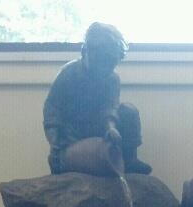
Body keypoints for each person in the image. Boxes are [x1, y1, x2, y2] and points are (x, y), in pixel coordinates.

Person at [43, 22, 151, 175]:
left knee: (128, 111)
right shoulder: (68, 74)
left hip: (99, 129)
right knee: (69, 156)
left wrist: (111, 127)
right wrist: (55, 141)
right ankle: (62, 161)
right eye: (100, 62)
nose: (104, 70)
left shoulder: (112, 79)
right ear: (84, 51)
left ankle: (130, 159)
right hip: (72, 134)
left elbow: (110, 107)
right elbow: (52, 109)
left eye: (110, 64)